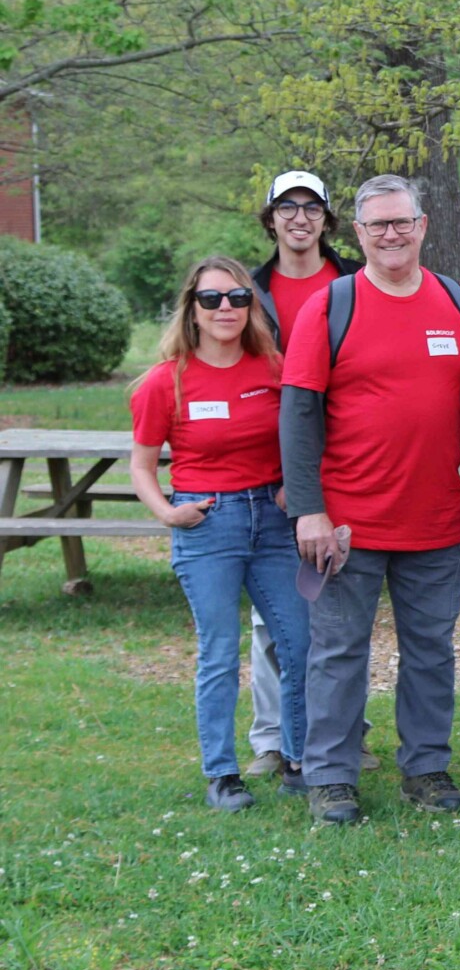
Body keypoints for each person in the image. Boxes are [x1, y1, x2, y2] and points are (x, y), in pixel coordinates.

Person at [281, 174, 460, 826]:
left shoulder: (458, 302)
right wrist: (308, 509)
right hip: (345, 524)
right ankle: (331, 776)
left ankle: (425, 767)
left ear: (424, 226)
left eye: (402, 222)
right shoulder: (331, 304)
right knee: (338, 651)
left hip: (437, 521)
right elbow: (299, 411)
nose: (391, 234)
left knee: (432, 649)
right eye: (377, 225)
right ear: (359, 234)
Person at [129, 257, 311, 812]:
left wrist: (291, 489)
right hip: (208, 524)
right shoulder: (167, 381)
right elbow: (141, 464)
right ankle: (222, 774)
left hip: (274, 524)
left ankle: (301, 760)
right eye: (211, 300)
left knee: (300, 643)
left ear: (251, 306)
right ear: (192, 309)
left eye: (236, 298)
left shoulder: (273, 366)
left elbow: (302, 436)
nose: (225, 309)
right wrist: (167, 512)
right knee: (219, 651)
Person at [243, 170, 362, 781]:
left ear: (326, 219)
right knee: (274, 610)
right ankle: (270, 737)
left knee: (338, 609)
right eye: (286, 208)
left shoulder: (350, 282)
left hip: (340, 460)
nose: (299, 218)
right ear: (270, 220)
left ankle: (343, 731)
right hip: (267, 463)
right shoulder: (249, 289)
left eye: (310, 207)